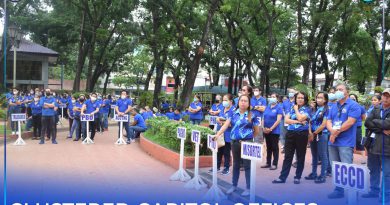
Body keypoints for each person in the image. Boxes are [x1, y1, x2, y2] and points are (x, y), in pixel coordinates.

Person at [214, 95, 260, 196]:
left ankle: (249, 188)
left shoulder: (252, 115)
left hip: (247, 143)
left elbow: (256, 131)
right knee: (235, 165)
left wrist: (249, 139)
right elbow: (226, 125)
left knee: (247, 166)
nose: (243, 102)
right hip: (234, 143)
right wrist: (217, 134)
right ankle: (234, 185)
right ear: (238, 102)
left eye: (245, 101)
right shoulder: (233, 113)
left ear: (248, 103)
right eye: (241, 100)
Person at [326, 83, 361, 199]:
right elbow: (328, 121)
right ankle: (338, 190)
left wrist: (336, 133)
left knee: (347, 168)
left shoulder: (354, 105)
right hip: (333, 141)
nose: (338, 92)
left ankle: (352, 194)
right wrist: (332, 132)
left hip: (346, 142)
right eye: (337, 90)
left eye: (341, 89)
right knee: (336, 167)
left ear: (347, 91)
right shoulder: (333, 106)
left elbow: (350, 122)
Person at [273, 91, 311, 184]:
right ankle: (282, 177)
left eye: (302, 98)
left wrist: (296, 110)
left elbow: (302, 118)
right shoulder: (291, 107)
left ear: (305, 99)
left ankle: (297, 177)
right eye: (298, 98)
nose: (300, 99)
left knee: (300, 156)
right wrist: (298, 122)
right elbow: (286, 120)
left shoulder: (308, 108)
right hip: (290, 133)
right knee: (288, 156)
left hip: (302, 134)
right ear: (295, 99)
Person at [363, 88, 390, 202]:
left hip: (387, 147)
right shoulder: (376, 108)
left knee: (387, 174)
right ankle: (373, 191)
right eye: (384, 95)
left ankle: (386, 196)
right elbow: (367, 122)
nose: (385, 98)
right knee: (373, 169)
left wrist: (376, 122)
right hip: (373, 146)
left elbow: (387, 123)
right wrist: (381, 129)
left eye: (388, 96)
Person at [305, 92, 329, 183]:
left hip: (321, 135)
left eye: (321, 98)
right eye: (317, 97)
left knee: (323, 155)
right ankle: (314, 173)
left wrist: (314, 134)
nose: (318, 99)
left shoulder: (327, 110)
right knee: (314, 155)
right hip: (313, 134)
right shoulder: (316, 109)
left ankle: (323, 175)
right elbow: (310, 122)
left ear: (325, 100)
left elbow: (323, 125)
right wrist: (310, 132)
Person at [212, 94, 235, 175]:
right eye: (223, 100)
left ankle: (226, 168)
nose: (224, 102)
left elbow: (231, 124)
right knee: (219, 151)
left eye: (226, 100)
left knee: (226, 152)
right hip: (220, 133)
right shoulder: (222, 108)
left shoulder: (233, 110)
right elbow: (219, 118)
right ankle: (217, 166)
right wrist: (218, 119)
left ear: (231, 101)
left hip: (228, 134)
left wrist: (223, 122)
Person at [261, 93, 283, 170]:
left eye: (273, 97)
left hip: (274, 131)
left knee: (274, 147)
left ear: (277, 99)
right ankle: (268, 162)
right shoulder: (267, 107)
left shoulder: (279, 107)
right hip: (266, 130)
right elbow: (263, 118)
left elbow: (278, 120)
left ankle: (275, 163)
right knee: (268, 147)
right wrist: (263, 127)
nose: (271, 98)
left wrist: (271, 129)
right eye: (271, 96)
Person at [349, 94, 366, 158]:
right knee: (350, 143)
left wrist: (357, 121)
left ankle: (364, 158)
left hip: (357, 127)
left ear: (356, 99)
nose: (352, 100)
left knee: (359, 142)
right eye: (350, 99)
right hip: (348, 127)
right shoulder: (347, 107)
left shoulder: (360, 107)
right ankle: (350, 158)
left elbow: (364, 118)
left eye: (353, 99)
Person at [281, 89, 297, 153]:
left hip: (293, 120)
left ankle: (292, 147)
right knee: (284, 134)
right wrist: (285, 116)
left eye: (292, 92)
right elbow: (282, 109)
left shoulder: (296, 101)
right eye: (290, 92)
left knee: (292, 134)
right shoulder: (285, 101)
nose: (291, 93)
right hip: (285, 119)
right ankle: (285, 147)